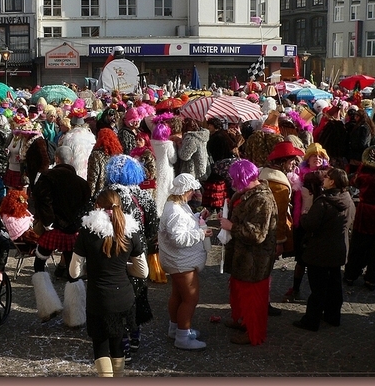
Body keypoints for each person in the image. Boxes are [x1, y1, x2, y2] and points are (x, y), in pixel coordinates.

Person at [69, 189, 148, 377]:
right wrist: (124, 268)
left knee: (100, 344)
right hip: (124, 298)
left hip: (99, 298)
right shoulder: (130, 231)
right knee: (118, 341)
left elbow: (74, 271)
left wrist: (92, 269)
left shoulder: (87, 231)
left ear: (97, 206)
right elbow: (143, 272)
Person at [104, 154, 159, 361]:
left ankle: (122, 343)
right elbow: (153, 228)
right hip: (138, 251)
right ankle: (135, 335)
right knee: (138, 293)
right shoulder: (146, 197)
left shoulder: (108, 196)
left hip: (113, 252)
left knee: (117, 296)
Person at [30, 145, 92, 326]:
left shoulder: (46, 178)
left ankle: (47, 307)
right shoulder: (82, 183)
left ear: (56, 159)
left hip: (53, 230)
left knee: (39, 264)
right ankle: (76, 317)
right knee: (73, 272)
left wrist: (48, 222)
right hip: (72, 232)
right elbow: (84, 209)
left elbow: (43, 202)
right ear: (70, 160)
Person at [219, 159, 277, 345]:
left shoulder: (262, 199)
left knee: (253, 298)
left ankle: (253, 333)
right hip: (242, 256)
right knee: (239, 291)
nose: (233, 184)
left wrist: (232, 226)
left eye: (235, 180)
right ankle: (241, 320)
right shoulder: (247, 193)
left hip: (255, 259)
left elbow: (258, 234)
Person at [293, 167, 356, 331]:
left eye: (327, 177)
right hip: (338, 249)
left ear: (332, 181)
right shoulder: (347, 198)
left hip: (320, 252)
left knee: (318, 288)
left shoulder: (324, 202)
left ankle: (311, 321)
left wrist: (305, 215)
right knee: (334, 285)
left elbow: (309, 224)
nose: (324, 179)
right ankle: (333, 316)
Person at [158, 173, 212, 350]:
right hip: (181, 262)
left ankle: (175, 329)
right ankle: (182, 336)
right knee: (190, 298)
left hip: (177, 261)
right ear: (185, 191)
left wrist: (197, 217)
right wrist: (201, 233)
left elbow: (184, 224)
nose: (193, 194)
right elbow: (179, 239)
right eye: (191, 191)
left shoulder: (176, 205)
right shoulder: (175, 210)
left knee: (178, 295)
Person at [258, 140, 304, 316]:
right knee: (265, 271)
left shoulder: (263, 176)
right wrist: (280, 241)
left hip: (259, 233)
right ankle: (263, 303)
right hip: (269, 235)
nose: (294, 164)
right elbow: (278, 216)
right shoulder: (280, 186)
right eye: (291, 160)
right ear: (283, 161)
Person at [283, 143, 330, 302]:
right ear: (307, 159)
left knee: (318, 262)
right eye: (314, 155)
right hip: (303, 223)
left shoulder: (328, 176)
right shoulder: (300, 177)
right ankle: (296, 289)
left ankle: (318, 295)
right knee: (301, 260)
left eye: (320, 156)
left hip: (320, 224)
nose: (317, 158)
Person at [343, 145, 375, 291]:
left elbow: (353, 182)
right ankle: (371, 278)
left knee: (358, 245)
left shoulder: (362, 175)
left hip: (365, 212)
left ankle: (351, 275)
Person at [150, 117, 177, 217]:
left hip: (155, 168)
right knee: (166, 190)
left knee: (156, 190)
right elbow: (173, 159)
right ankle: (164, 212)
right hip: (166, 169)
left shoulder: (151, 143)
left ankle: (155, 211)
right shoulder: (168, 144)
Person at [86, 128, 123, 199]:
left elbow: (92, 178)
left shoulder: (96, 155)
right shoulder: (119, 156)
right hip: (115, 195)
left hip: (101, 195)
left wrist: (89, 197)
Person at [177, 117, 210, 183]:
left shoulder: (191, 138)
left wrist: (179, 146)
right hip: (202, 169)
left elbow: (184, 156)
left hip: (192, 172)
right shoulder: (202, 135)